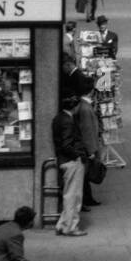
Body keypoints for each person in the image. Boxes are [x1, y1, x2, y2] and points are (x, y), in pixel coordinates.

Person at [52, 97, 88, 237]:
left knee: (69, 194)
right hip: (71, 161)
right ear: (75, 106)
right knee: (74, 196)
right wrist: (78, 155)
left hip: (63, 160)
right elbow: (67, 145)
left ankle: (62, 224)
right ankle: (71, 227)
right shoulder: (68, 121)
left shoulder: (58, 118)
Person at [74, 77, 103, 209]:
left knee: (84, 176)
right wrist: (91, 150)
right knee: (85, 175)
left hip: (86, 146)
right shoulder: (85, 109)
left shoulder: (84, 105)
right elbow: (87, 130)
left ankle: (88, 198)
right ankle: (85, 200)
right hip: (88, 147)